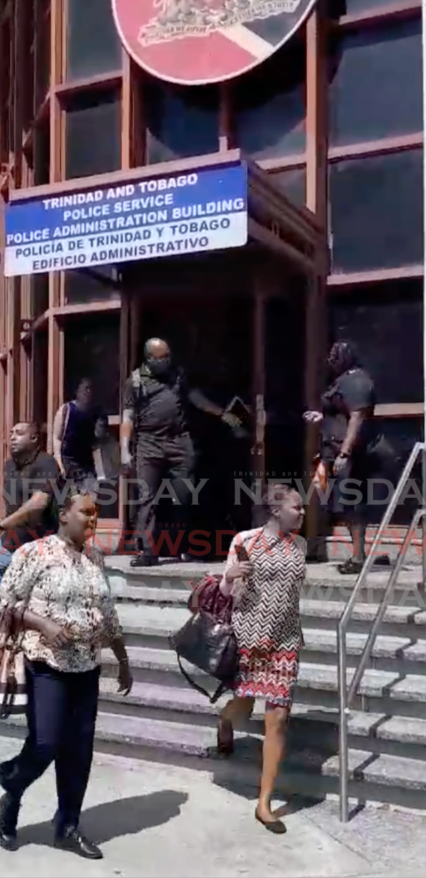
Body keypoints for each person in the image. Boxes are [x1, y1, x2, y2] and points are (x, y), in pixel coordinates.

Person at [0, 489, 133, 859]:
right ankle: (13, 786)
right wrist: (42, 623)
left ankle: (67, 826)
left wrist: (122, 657)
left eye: (96, 514)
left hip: (87, 666)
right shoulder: (34, 553)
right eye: (85, 512)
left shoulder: (94, 559)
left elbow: (107, 611)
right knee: (45, 743)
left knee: (79, 750)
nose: (92, 519)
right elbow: (4, 600)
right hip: (46, 664)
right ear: (63, 515)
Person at [216, 484, 306, 835]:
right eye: (296, 508)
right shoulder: (246, 540)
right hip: (249, 638)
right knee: (243, 703)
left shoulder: (299, 545)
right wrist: (230, 577)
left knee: (278, 718)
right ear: (276, 510)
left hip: (285, 641)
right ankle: (225, 722)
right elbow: (226, 591)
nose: (301, 513)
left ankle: (264, 802)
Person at [121, 337, 242, 566]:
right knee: (147, 497)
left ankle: (184, 546)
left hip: (179, 441)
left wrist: (221, 413)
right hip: (149, 442)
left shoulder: (177, 375)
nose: (166, 360)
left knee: (184, 496)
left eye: (168, 356)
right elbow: (127, 417)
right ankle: (147, 552)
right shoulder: (135, 381)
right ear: (149, 359)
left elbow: (195, 399)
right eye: (161, 357)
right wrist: (125, 450)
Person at [303, 340, 380, 575]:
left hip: (348, 454)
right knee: (339, 503)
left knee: (350, 504)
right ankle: (357, 555)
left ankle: (358, 557)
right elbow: (340, 411)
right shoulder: (343, 380)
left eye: (337, 355)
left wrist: (345, 453)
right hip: (332, 451)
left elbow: (357, 417)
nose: (332, 359)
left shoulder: (357, 381)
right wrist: (320, 415)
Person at [0, 421, 60, 594]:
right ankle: (13, 618)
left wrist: (2, 525)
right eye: (11, 433)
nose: (12, 437)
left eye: (19, 433)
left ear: (34, 438)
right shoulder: (10, 465)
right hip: (12, 537)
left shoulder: (46, 463)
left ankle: (22, 618)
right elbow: (10, 502)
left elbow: (38, 502)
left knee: (34, 591)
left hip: (40, 540)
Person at [53, 378, 100, 492]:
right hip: (67, 461)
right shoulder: (67, 409)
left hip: (86, 464)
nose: (88, 392)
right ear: (77, 391)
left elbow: (97, 443)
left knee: (92, 494)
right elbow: (57, 437)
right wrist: (59, 461)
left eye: (90, 389)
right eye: (85, 388)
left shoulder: (94, 413)